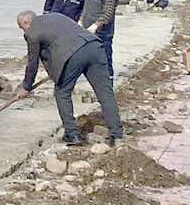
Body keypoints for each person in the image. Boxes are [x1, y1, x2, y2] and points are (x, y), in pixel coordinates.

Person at [17, 8, 123, 146]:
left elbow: (33, 62)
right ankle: (116, 133)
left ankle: (72, 135)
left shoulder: (32, 33)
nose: (23, 32)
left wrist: (26, 87)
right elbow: (64, 37)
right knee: (105, 92)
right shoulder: (55, 16)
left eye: (22, 28)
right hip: (94, 46)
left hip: (73, 55)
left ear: (26, 22)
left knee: (62, 93)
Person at [80, 0, 120, 78]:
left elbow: (107, 14)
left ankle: (108, 80)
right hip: (87, 32)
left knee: (105, 58)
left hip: (103, 34)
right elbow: (85, 7)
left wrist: (95, 26)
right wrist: (81, 20)